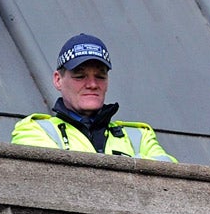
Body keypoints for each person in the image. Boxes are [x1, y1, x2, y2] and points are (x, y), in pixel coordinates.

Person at [12, 34, 176, 161]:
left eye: (100, 76)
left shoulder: (139, 136)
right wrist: (134, 169)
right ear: (58, 80)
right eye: (80, 76)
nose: (92, 84)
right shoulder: (35, 130)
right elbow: (51, 179)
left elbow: (168, 178)